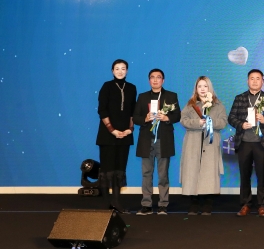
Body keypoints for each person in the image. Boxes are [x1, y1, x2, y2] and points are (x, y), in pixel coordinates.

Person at [228, 69, 264, 217]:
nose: (255, 81)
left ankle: (262, 205)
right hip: (244, 141)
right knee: (245, 175)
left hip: (261, 143)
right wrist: (241, 124)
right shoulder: (240, 98)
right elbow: (231, 117)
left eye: (258, 78)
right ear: (247, 81)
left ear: (262, 81)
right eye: (252, 78)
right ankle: (245, 204)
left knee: (262, 175)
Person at [133, 69, 181, 215]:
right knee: (146, 173)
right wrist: (145, 119)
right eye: (152, 77)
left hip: (163, 139)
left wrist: (167, 118)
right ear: (149, 80)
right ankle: (146, 204)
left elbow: (177, 115)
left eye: (158, 77)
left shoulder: (171, 96)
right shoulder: (142, 97)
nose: (155, 80)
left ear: (163, 80)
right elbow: (135, 118)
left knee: (163, 174)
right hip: (146, 140)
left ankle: (163, 204)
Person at [179, 76, 228, 215]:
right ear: (196, 88)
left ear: (210, 88)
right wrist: (197, 123)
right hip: (193, 142)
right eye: (199, 86)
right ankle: (193, 204)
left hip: (210, 144)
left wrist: (210, 121)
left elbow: (223, 122)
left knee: (209, 173)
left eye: (205, 86)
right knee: (192, 172)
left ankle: (208, 204)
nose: (202, 89)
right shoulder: (190, 105)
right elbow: (183, 120)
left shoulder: (218, 105)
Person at [96, 59, 137, 214]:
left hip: (125, 135)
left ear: (127, 71)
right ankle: (106, 203)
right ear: (112, 71)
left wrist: (130, 129)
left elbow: (132, 112)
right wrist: (112, 130)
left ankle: (117, 202)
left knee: (120, 169)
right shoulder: (106, 86)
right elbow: (102, 111)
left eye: (123, 68)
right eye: (117, 68)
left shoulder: (132, 88)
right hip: (107, 135)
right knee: (107, 169)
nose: (120, 71)